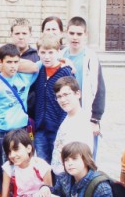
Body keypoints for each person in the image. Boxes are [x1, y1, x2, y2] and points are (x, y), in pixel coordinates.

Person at [29, 34, 73, 163]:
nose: (46, 57)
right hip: (40, 127)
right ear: (38, 52)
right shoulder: (39, 70)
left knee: (59, 163)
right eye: (43, 52)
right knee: (43, 163)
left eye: (50, 52)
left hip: (58, 127)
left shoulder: (65, 71)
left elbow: (70, 101)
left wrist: (63, 125)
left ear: (58, 52)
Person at [62, 16, 105, 146]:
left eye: (79, 34)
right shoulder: (60, 55)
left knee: (87, 152)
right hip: (64, 113)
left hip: (85, 112)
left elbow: (99, 89)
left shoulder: (91, 58)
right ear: (66, 33)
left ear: (85, 35)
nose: (75, 37)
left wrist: (95, 119)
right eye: (72, 33)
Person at [0, 43, 37, 139]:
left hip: (20, 129)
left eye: (16, 62)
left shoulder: (25, 78)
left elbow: (41, 64)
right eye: (9, 62)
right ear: (0, 62)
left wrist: (64, 62)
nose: (13, 66)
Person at [50, 76, 93, 177]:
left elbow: (84, 158)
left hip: (71, 177)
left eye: (66, 94)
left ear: (78, 94)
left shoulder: (81, 121)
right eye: (59, 96)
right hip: (61, 176)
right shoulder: (68, 117)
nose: (63, 100)